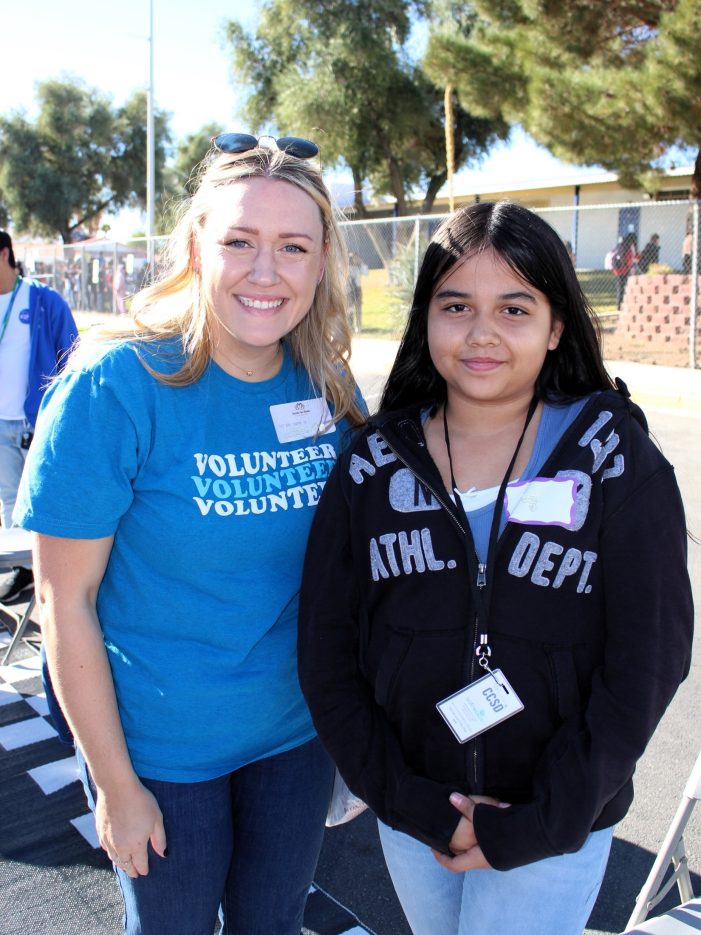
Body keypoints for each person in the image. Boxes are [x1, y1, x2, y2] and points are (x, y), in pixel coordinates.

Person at [298, 201, 693, 935]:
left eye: (514, 307)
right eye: (456, 306)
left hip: (553, 818)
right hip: (416, 813)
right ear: (425, 321)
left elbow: (648, 660)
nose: (481, 333)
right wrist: (404, 799)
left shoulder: (617, 461)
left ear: (555, 327)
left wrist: (543, 819)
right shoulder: (371, 464)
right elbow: (326, 652)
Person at [14, 134, 365, 935]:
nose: (264, 271)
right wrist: (113, 781)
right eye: (239, 241)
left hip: (295, 737)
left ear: (320, 264)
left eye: (292, 247)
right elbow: (64, 601)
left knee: (270, 926)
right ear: (197, 247)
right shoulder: (117, 385)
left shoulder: (329, 388)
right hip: (161, 754)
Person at [0, 230, 77, 602]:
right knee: (9, 509)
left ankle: (52, 590)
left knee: (43, 511)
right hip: (0, 426)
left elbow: (72, 357)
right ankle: (23, 578)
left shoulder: (43, 301)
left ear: (4, 255)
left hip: (38, 426)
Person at [611, 231, 639, 309]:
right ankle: (621, 304)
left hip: (618, 268)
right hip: (625, 269)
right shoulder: (630, 247)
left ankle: (619, 304)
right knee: (623, 287)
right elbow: (633, 257)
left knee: (620, 286)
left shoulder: (621, 244)